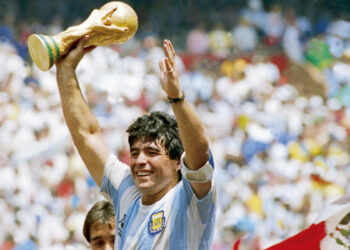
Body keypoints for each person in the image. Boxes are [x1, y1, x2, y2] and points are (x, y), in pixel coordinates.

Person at [55, 36, 216, 249]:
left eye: (151, 152)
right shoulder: (127, 192)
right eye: (135, 152)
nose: (140, 160)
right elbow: (87, 135)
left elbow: (200, 151)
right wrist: (65, 70)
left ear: (178, 162)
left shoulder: (190, 198)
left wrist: (176, 97)